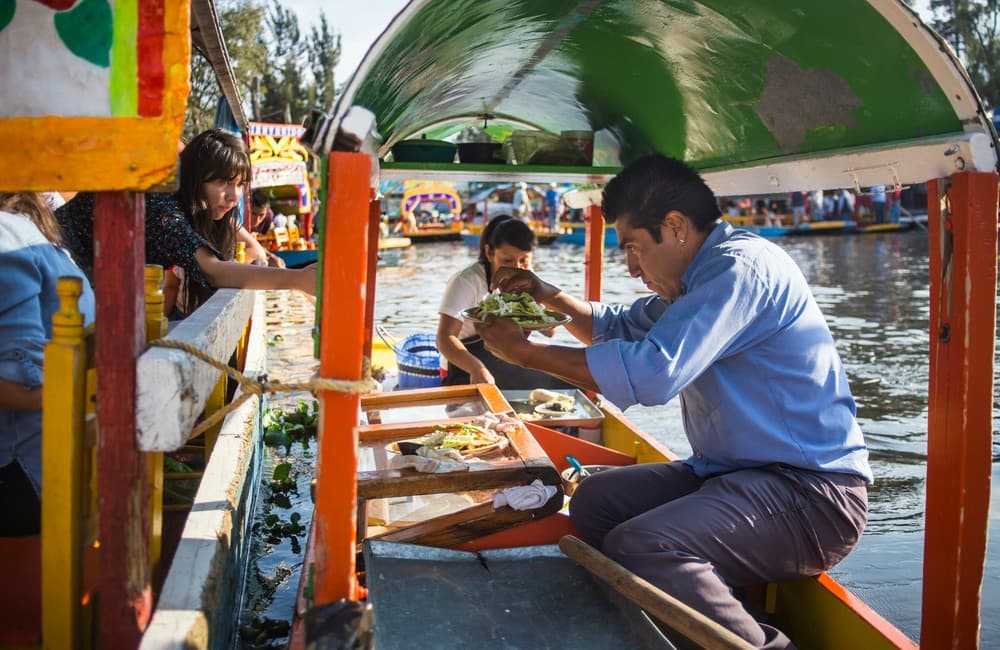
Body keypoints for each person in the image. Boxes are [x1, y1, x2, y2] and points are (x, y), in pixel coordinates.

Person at [474, 154, 871, 648]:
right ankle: (699, 621)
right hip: (733, 475)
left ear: (676, 227)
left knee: (642, 544)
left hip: (811, 495)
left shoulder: (738, 269)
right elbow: (619, 326)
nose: (631, 267)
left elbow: (654, 371)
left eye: (634, 248)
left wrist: (523, 353)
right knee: (596, 502)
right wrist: (549, 295)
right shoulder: (696, 281)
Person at [56, 129, 315, 315]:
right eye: (223, 182)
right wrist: (296, 279)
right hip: (57, 260)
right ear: (196, 178)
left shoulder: (189, 199)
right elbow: (213, 270)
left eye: (240, 184)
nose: (233, 196)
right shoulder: (163, 208)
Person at [0, 192, 96, 536]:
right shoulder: (28, 232)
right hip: (65, 465)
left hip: (31, 471)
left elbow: (28, 385)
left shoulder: (7, 233)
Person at [437, 215, 569, 389]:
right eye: (507, 260)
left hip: (510, 357)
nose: (516, 268)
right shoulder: (467, 280)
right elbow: (444, 339)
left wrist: (533, 312)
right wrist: (476, 368)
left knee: (566, 380)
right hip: (466, 363)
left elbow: (551, 332)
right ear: (489, 253)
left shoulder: (528, 277)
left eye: (524, 261)